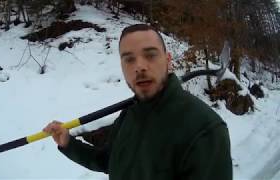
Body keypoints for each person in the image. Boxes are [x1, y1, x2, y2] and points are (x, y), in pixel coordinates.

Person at [43, 24, 233, 180]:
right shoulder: (129, 115)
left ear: (168, 61)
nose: (139, 66)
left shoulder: (205, 129)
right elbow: (108, 161)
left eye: (150, 55)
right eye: (129, 59)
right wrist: (68, 143)